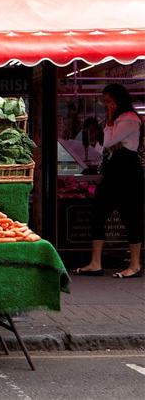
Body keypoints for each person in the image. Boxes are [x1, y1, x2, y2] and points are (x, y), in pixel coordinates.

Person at [73, 84, 144, 278]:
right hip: (113, 171)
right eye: (104, 101)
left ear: (118, 100)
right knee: (98, 213)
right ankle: (95, 262)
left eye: (108, 101)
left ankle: (135, 265)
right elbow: (102, 146)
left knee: (131, 216)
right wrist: (111, 130)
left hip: (128, 171)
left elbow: (109, 142)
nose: (106, 105)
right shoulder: (116, 121)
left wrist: (111, 127)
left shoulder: (129, 118)